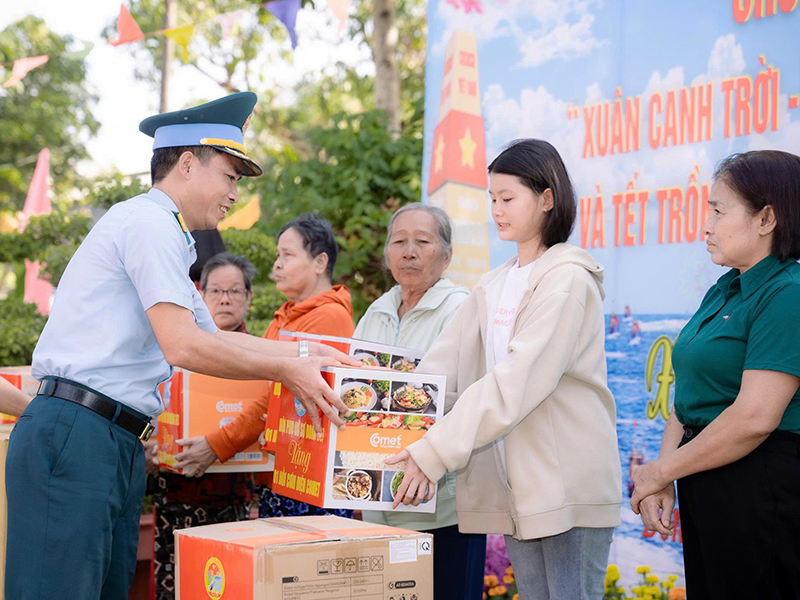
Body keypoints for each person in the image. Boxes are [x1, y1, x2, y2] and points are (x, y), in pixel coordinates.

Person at [4, 92, 356, 600]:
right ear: (188, 164)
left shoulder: (169, 234)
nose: (235, 193)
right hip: (78, 433)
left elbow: (209, 338)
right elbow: (183, 346)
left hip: (110, 439)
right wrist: (291, 365)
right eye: (230, 176)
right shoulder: (148, 224)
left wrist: (306, 355)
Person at [388, 139, 622, 600]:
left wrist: (432, 453)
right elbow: (440, 371)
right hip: (523, 491)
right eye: (491, 199)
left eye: (508, 198)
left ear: (547, 199)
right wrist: (373, 409)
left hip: (568, 486)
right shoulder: (494, 283)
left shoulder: (568, 280)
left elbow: (515, 381)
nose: (496, 210)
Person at [631, 150, 800, 600]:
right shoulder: (725, 287)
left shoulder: (787, 293)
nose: (705, 225)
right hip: (706, 473)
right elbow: (687, 397)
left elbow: (754, 418)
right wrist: (665, 476)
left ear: (766, 219)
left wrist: (662, 470)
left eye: (717, 211)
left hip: (760, 486)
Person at [175, 213, 355, 521]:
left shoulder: (328, 317)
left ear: (320, 262)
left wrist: (219, 443)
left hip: (309, 477)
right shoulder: (286, 316)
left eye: (288, 255)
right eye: (277, 255)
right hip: (281, 471)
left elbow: (275, 396)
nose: (277, 265)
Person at [354, 203, 484, 600]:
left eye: (422, 241)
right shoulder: (376, 312)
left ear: (446, 255)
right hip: (379, 503)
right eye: (399, 241)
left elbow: (474, 400)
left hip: (442, 507)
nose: (409, 251)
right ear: (387, 254)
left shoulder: (462, 309)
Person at [149, 252, 257, 600]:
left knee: (229, 587)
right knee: (175, 587)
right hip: (174, 494)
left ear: (248, 298)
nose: (225, 298)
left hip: (231, 495)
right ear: (200, 294)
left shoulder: (261, 357)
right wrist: (149, 442)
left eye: (235, 291)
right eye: (216, 291)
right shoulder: (176, 346)